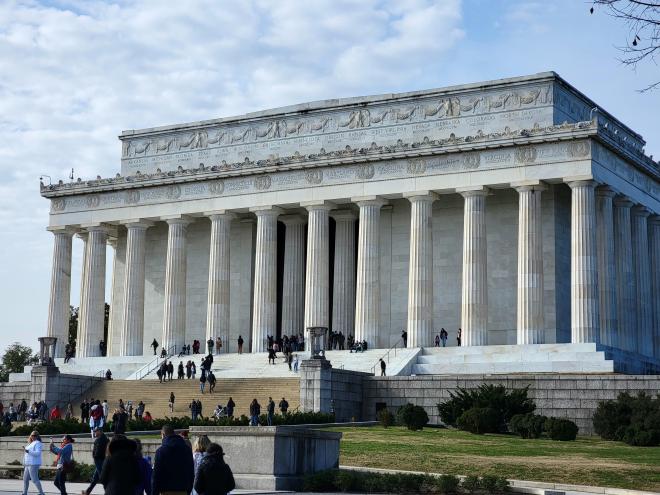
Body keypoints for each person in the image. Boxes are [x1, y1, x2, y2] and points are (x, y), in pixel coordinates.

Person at [152, 425, 194, 495]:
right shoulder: (187, 450)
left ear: (163, 434)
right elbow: (191, 472)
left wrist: (154, 492)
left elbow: (156, 475)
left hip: (166, 491)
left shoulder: (161, 451)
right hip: (183, 490)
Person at [83, 426, 109, 495]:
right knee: (95, 478)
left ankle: (108, 492)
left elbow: (98, 451)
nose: (94, 432)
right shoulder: (104, 438)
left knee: (102, 477)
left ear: (100, 431)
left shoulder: (100, 439)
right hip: (101, 459)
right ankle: (87, 491)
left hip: (99, 460)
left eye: (96, 431)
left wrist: (95, 457)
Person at [22, 430, 45, 495]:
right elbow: (27, 453)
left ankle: (41, 493)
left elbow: (37, 453)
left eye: (34, 435)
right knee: (25, 479)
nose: (33, 436)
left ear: (37, 436)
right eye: (32, 435)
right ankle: (24, 493)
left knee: (34, 479)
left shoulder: (37, 443)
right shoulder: (31, 443)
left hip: (33, 464)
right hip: (28, 464)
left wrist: (28, 451)